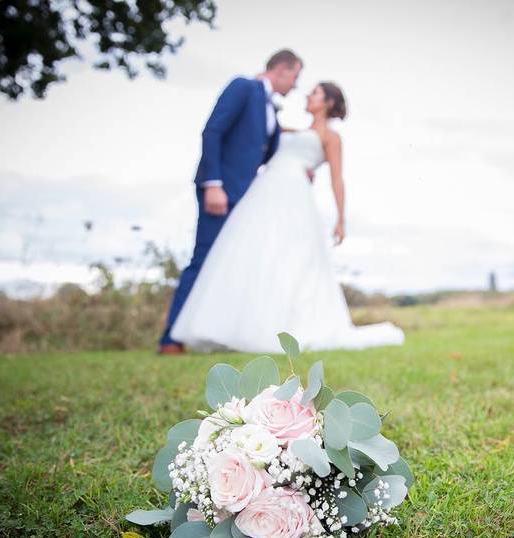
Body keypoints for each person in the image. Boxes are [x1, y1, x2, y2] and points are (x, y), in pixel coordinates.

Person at [168, 82, 405, 353]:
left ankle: (282, 328)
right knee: (254, 255)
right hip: (264, 192)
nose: (307, 95)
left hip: (294, 198)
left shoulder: (331, 137)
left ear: (328, 102)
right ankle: (240, 326)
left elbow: (337, 179)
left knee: (291, 258)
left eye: (315, 93)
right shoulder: (292, 131)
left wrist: (341, 219)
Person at [158, 49, 303, 354]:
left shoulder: (269, 107)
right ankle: (171, 338)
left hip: (245, 199)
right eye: (295, 77)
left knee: (230, 266)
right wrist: (214, 184)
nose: (295, 85)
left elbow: (261, 147)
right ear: (282, 69)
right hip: (221, 192)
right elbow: (213, 131)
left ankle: (217, 333)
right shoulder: (243, 87)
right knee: (203, 260)